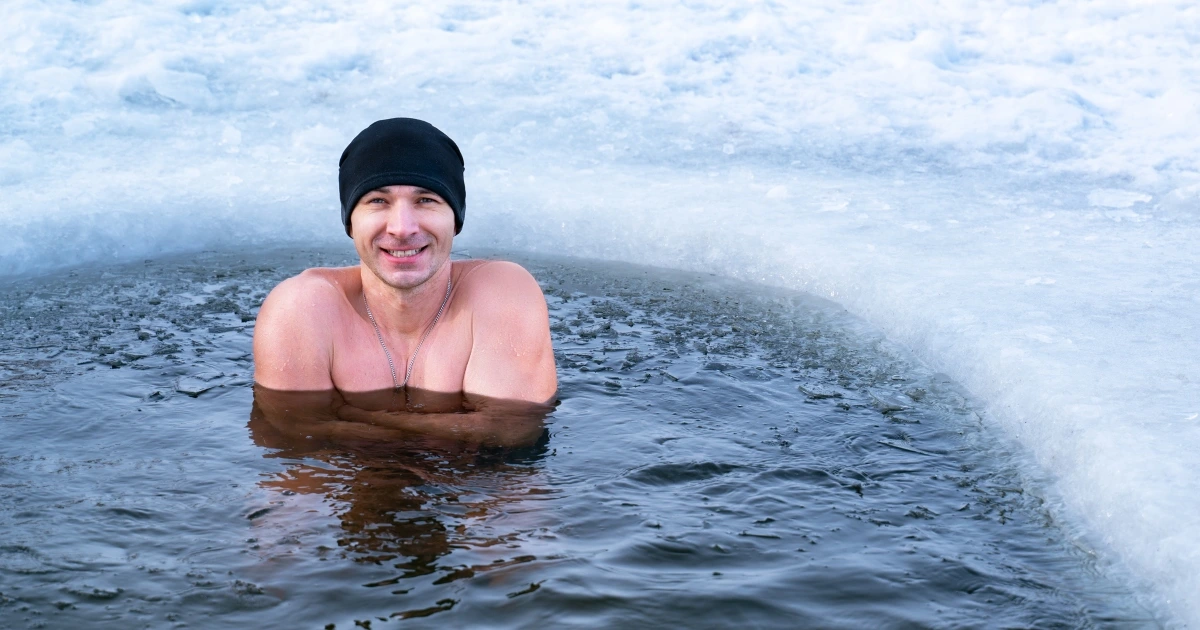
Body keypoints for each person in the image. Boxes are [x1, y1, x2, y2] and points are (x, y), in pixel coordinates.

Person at [253, 118, 557, 406]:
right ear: (350, 223)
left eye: (426, 200)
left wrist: (340, 424)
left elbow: (508, 433)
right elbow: (293, 441)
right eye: (377, 201)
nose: (402, 228)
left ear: (455, 221)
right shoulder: (301, 309)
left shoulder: (504, 292)